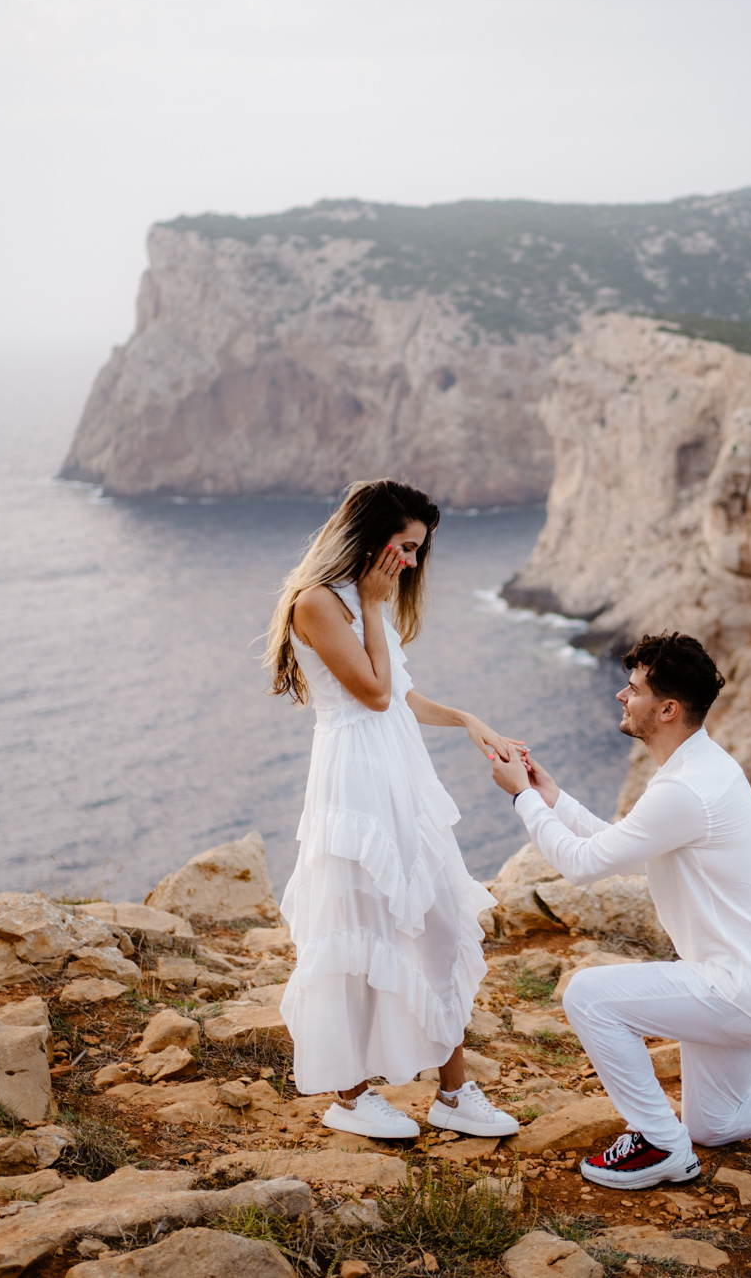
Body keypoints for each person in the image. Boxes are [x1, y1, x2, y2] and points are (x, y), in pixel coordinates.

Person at [489, 632, 751, 1189]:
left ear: (667, 709)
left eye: (633, 688)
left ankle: (660, 1144)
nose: (621, 695)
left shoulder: (686, 789)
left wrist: (520, 798)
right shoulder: (699, 768)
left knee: (587, 996)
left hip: (738, 987)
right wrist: (553, 798)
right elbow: (621, 847)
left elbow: (586, 865)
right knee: (714, 1122)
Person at [265, 479, 523, 1141]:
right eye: (404, 547)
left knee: (436, 919)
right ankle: (350, 1096)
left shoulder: (360, 598)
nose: (409, 563)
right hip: (353, 782)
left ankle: (453, 1092)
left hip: (400, 778)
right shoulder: (318, 603)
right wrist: (375, 606)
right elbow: (374, 694)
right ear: (370, 537)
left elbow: (401, 695)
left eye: (417, 550)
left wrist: (468, 719)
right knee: (357, 928)